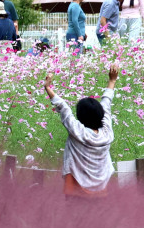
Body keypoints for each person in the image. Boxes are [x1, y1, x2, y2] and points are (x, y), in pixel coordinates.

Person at [43, 64, 120, 198]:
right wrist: (112, 81)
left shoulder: (77, 131)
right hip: (100, 191)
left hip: (75, 189)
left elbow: (63, 107)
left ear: (79, 116)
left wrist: (48, 88)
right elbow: (106, 104)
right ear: (101, 114)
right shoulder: (107, 133)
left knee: (75, 219)